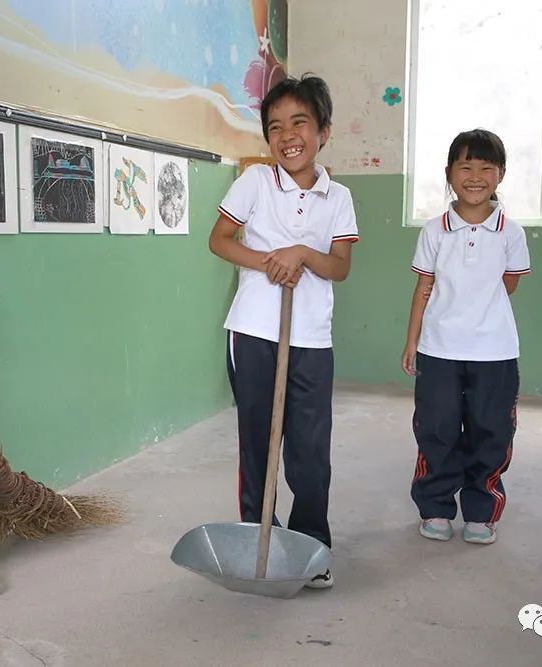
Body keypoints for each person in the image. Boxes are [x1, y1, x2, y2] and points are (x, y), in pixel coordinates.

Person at [208, 75, 359, 588]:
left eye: (300, 122)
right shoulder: (254, 183)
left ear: (324, 132)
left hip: (311, 337)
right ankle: (259, 537)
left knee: (310, 451)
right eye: (275, 127)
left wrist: (303, 255)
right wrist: (267, 261)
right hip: (252, 331)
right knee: (257, 443)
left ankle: (312, 547)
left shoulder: (338, 196)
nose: (287, 135)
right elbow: (220, 239)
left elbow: (339, 266)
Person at [402, 129, 531, 545]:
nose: (475, 177)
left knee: (491, 431)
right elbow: (423, 288)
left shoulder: (511, 232)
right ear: (449, 173)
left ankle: (481, 512)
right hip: (438, 349)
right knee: (436, 429)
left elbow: (508, 283)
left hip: (495, 351)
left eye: (485, 168)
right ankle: (436, 508)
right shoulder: (434, 230)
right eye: (465, 167)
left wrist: (478, 311)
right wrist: (412, 340)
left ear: (501, 175)